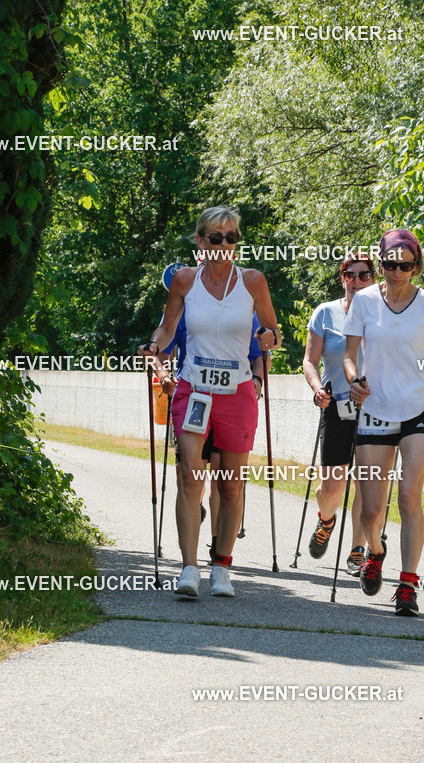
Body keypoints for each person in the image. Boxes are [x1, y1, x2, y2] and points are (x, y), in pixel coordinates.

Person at [140, 205, 281, 599]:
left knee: (231, 486)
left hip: (236, 393)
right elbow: (168, 328)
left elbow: (273, 331)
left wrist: (269, 338)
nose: (224, 244)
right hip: (194, 390)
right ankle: (189, 568)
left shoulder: (253, 281)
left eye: (231, 237)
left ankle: (222, 567)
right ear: (201, 240)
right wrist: (153, 347)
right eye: (216, 237)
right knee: (190, 476)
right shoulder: (185, 280)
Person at [343, 228, 424, 616]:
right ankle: (375, 552)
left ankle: (408, 585)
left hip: (417, 411)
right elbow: (349, 355)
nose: (397, 273)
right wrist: (354, 380)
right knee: (370, 511)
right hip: (375, 411)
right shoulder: (363, 301)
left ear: (416, 267)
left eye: (405, 266)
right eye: (390, 265)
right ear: (380, 264)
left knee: (409, 496)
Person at [160, 305, 268, 561]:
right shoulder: (184, 305)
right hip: (193, 399)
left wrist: (257, 380)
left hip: (230, 402)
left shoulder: (244, 309)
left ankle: (218, 545)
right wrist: (164, 375)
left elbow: (259, 355)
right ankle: (193, 516)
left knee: (222, 476)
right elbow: (161, 350)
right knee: (188, 476)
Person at [303, 252, 371, 574]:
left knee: (366, 483)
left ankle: (358, 550)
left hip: (373, 409)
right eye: (350, 275)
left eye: (363, 275)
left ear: (373, 279)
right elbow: (309, 360)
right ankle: (326, 519)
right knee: (332, 489)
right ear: (342, 278)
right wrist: (318, 389)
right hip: (336, 407)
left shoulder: (382, 314)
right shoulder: (325, 313)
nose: (356, 281)